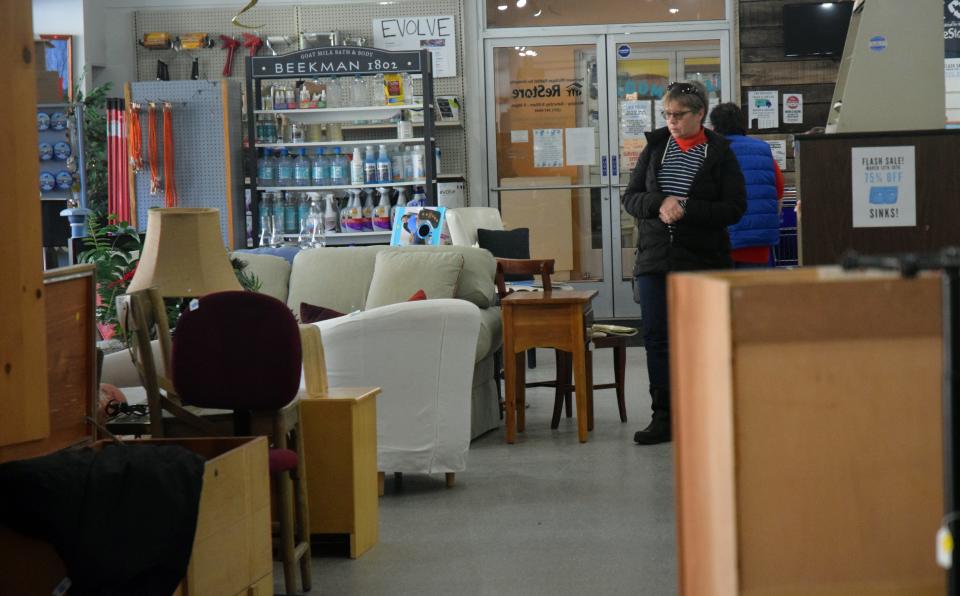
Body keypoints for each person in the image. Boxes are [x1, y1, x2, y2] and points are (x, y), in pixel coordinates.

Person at [622, 81, 746, 445]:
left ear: (700, 114)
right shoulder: (656, 147)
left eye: (679, 115)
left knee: (704, 340)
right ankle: (664, 416)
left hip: (703, 260)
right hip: (655, 259)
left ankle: (707, 413)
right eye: (667, 115)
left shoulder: (720, 152)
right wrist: (660, 202)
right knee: (658, 339)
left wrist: (687, 208)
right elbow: (631, 198)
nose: (671, 121)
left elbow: (735, 208)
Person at [709, 102, 784, 268]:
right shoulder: (763, 150)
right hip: (757, 244)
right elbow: (778, 191)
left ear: (714, 127)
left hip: (720, 244)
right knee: (755, 293)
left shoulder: (710, 151)